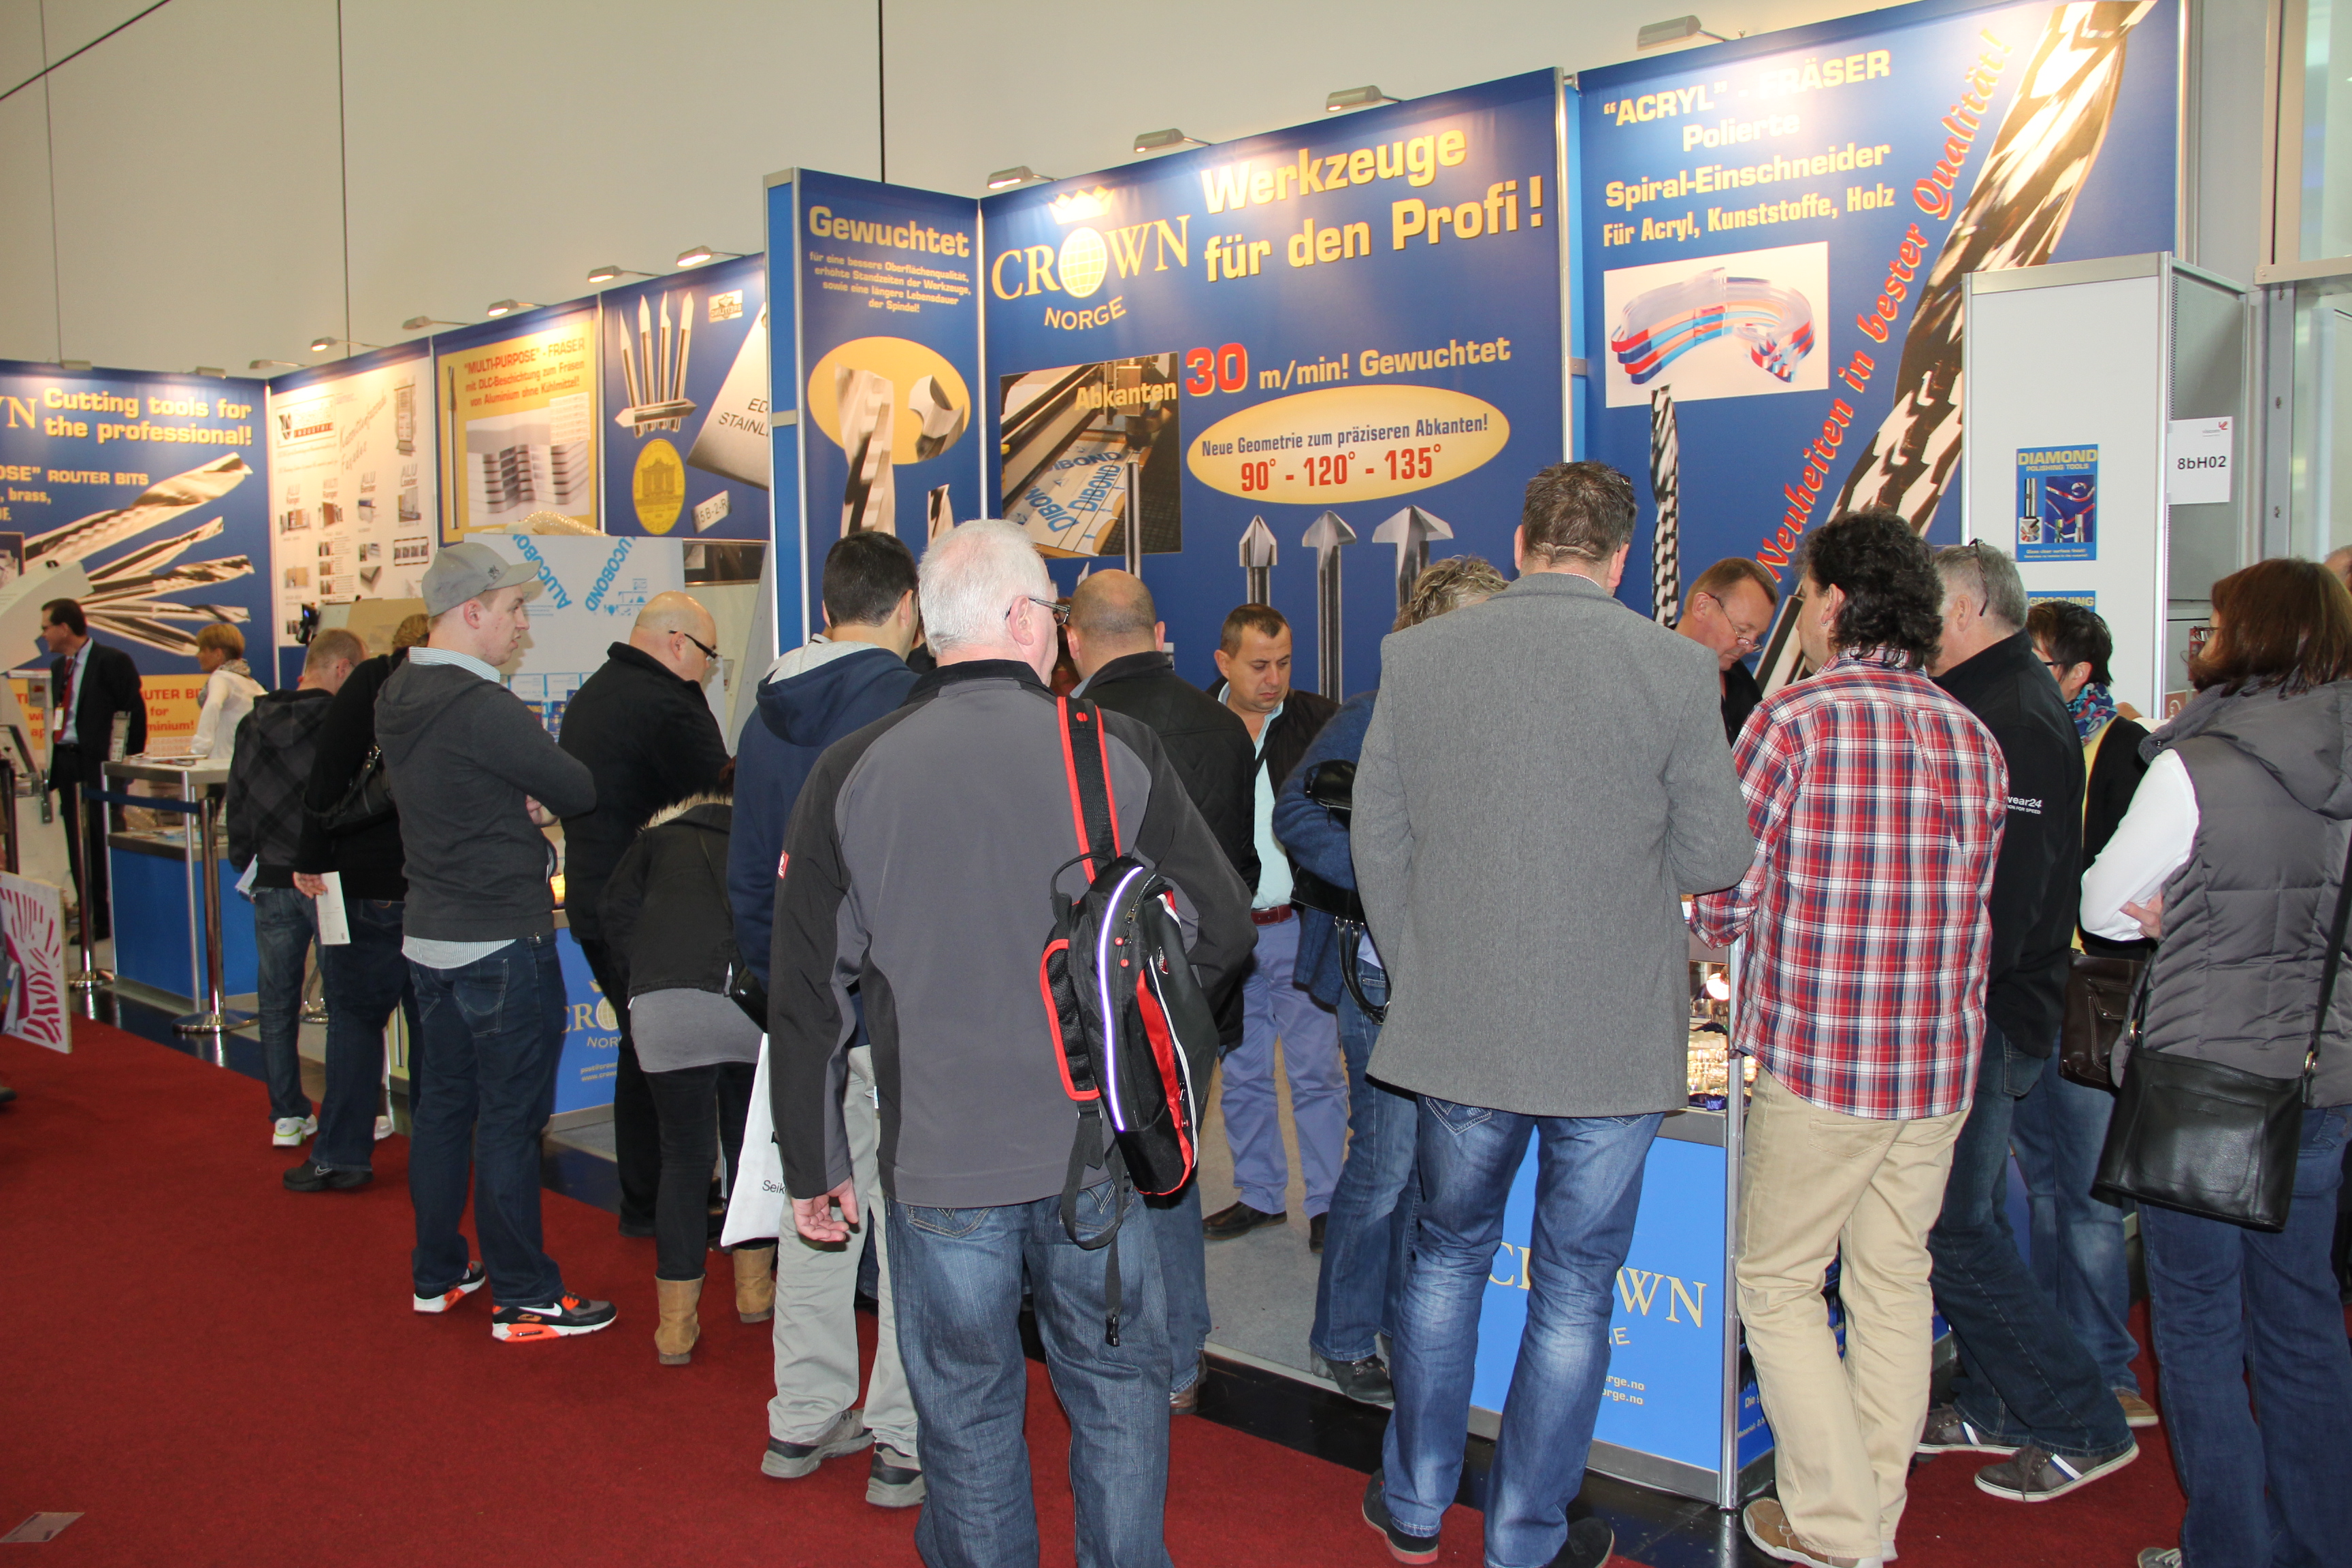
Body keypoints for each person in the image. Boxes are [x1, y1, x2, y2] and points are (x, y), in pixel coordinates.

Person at [770, 519, 1253, 1568]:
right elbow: (1221, 925)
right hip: (1097, 1152)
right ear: (1029, 620)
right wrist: (1148, 1047)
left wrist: (814, 1161)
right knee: (1117, 1390)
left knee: (964, 1406)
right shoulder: (1114, 752)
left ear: (933, 630)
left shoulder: (851, 770)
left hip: (937, 1163)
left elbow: (806, 991)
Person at [1352, 462, 1753, 1568]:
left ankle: (1417, 1503)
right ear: (1620, 560)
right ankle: (1526, 1535)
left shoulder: (1419, 656)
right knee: (1575, 1288)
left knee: (1445, 1259)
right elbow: (1716, 855)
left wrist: (1421, 967)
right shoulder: (1674, 668)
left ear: (1524, 542)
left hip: (1461, 1025)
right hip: (1609, 1036)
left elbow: (1375, 835)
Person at [1692, 512, 2006, 1568]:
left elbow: (1721, 898)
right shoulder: (1970, 734)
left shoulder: (1793, 722)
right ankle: (1870, 1516)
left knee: (1778, 1284)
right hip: (1940, 1065)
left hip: (1826, 1064)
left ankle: (1836, 1526)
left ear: (1832, 603)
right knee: (1892, 1283)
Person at [2081, 557, 2352, 1568]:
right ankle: (2321, 1545)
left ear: (2253, 636)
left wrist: (2174, 914)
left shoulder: (2197, 764)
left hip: (2203, 1082)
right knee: (2304, 1324)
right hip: (2318, 1078)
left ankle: (2230, 1548)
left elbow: (2105, 909)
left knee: (2197, 1326)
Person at [1916, 541, 2136, 1501]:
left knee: (1956, 1230)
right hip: (1986, 1007)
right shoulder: (1992, 698)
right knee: (1970, 1224)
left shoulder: (2013, 712)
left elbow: (2015, 892)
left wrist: (1948, 996)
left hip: (1988, 1014)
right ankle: (1998, 1403)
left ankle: (2083, 1419)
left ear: (1965, 608)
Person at [1275, 555, 1507, 1411]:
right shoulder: (1375, 712)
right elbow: (1297, 812)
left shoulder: (1496, 721)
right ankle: (1341, 1337)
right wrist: (1384, 879)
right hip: (1378, 981)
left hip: (1457, 979)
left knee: (1425, 1172)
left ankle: (1395, 1323)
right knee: (1384, 1161)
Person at [731, 529, 924, 1507]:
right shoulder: (914, 708)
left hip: (802, 1011)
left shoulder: (764, 716)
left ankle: (802, 1416)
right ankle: (902, 1438)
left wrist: (787, 1003)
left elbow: (748, 875)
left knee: (813, 1205)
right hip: (890, 1010)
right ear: (909, 608)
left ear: (824, 611)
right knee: (909, 1221)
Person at [376, 542, 609, 1341]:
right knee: (510, 1120)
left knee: (443, 1110)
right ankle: (526, 1294)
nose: (522, 627)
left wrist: (511, 799)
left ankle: (437, 1273)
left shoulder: (398, 691)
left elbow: (451, 788)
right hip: (500, 939)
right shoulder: (483, 706)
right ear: (471, 611)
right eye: (513, 610)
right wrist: (528, 802)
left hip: (429, 936)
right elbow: (576, 787)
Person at [1066, 568, 1255, 1415]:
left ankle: (1110, 1348)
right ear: (1162, 632)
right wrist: (1185, 997)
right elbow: (1236, 874)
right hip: (1196, 995)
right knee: (1172, 1169)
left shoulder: (1075, 733)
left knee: (1097, 1175)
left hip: (1096, 1003)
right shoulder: (1224, 727)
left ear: (1073, 639)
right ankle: (1181, 1357)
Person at [557, 591, 731, 1243]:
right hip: (651, 910)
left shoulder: (593, 694)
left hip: (598, 903)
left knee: (642, 1049)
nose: (707, 669)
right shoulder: (667, 705)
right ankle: (667, 1202)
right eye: (708, 654)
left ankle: (646, 1198)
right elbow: (722, 797)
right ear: (679, 643)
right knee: (670, 1059)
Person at [2018, 598, 2156, 1422]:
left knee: (2090, 1197)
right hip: (2027, 986)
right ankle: (2051, 1358)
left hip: (2094, 990)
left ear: (2078, 674)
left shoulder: (2128, 750)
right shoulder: (2022, 736)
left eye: (2039, 663)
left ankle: (2109, 1370)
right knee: (2040, 1186)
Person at [600, 778, 759, 1366]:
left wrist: (640, 981)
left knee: (684, 1158)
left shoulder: (653, 842)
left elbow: (611, 913)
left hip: (664, 1010)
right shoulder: (758, 838)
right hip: (744, 1008)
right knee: (747, 1151)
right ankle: (754, 1291)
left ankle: (676, 1327)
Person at [1203, 604, 1343, 1248]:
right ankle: (1258, 1195)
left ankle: (1328, 1205)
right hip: (1229, 935)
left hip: (1299, 926)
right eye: (1259, 665)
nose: (1274, 678)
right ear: (1224, 662)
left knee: (1317, 1073)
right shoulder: (1197, 724)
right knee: (1242, 1071)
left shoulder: (1320, 721)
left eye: (1284, 663)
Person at [292, 617, 427, 1197]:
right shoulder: (461, 687)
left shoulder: (372, 683)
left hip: (365, 882)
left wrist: (310, 857)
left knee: (354, 1023)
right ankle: (438, 1154)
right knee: (432, 1028)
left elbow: (328, 774)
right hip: (430, 885)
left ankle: (342, 1155)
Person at [224, 628, 362, 1160]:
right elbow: (353, 803)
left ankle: (286, 1114)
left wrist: (249, 862)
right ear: (342, 669)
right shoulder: (342, 724)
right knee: (345, 1001)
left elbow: (237, 802)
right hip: (329, 879)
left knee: (276, 1001)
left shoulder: (252, 722)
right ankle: (348, 1115)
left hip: (273, 875)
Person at [42, 598, 144, 941]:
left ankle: (118, 915)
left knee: (103, 841)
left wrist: (125, 761)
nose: (43, 635)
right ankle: (93, 916)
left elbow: (132, 712)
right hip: (68, 762)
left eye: (46, 628)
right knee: (77, 843)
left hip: (99, 764)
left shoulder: (111, 661)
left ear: (64, 628)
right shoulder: (59, 667)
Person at [1676, 557, 1780, 742]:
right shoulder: (1642, 671)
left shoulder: (1744, 686)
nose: (1749, 648)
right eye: (1742, 630)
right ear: (1702, 607)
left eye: (1757, 637)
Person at [189, 623, 267, 762]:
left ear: (218, 654)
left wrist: (199, 749)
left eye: (202, 650)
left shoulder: (221, 677)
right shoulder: (252, 684)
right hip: (246, 761)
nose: (197, 655)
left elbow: (213, 705)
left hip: (222, 764)